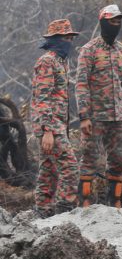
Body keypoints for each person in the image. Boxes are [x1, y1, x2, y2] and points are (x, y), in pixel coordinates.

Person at [75, 4, 122, 207]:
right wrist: (84, 116)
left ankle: (115, 204)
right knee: (89, 159)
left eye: (118, 22)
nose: (116, 25)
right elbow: (81, 85)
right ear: (103, 22)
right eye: (112, 21)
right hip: (95, 116)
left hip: (118, 117)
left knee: (118, 160)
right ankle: (84, 205)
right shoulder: (89, 50)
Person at [31, 19, 80, 215]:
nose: (68, 41)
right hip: (51, 126)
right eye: (65, 38)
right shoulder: (47, 61)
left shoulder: (61, 62)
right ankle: (63, 210)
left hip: (58, 124)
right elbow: (42, 97)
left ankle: (43, 211)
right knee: (70, 168)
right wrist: (47, 131)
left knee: (49, 170)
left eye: (70, 38)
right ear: (55, 39)